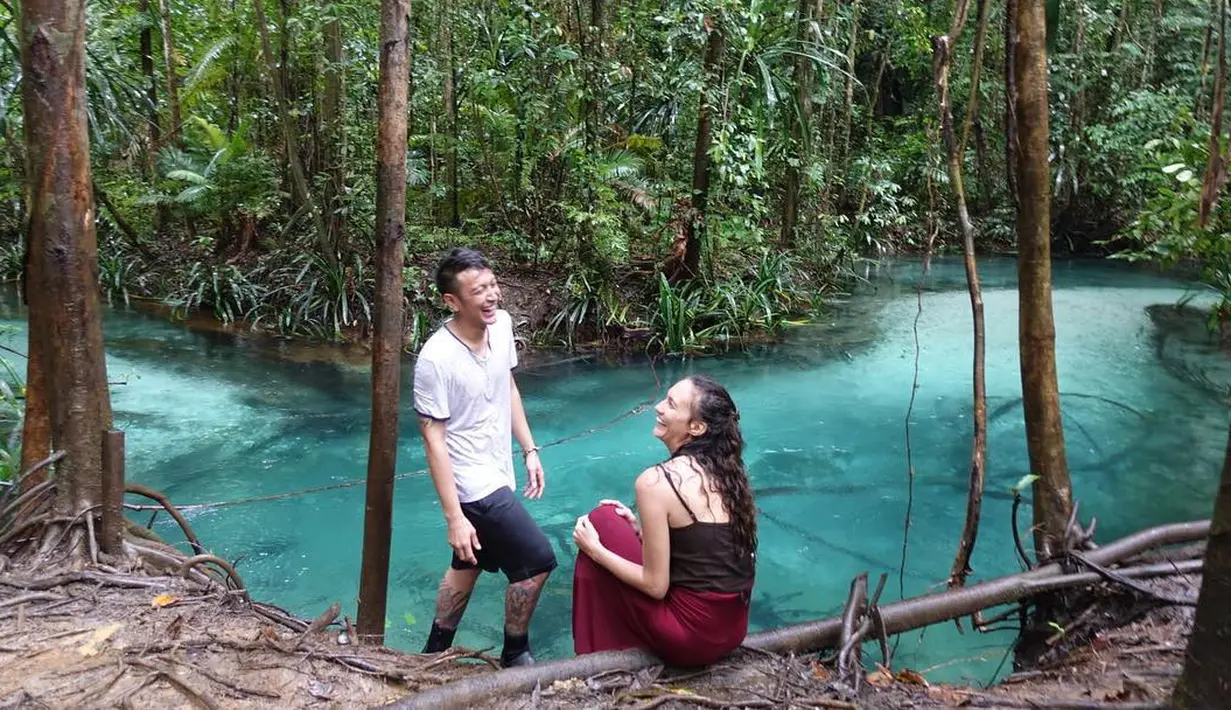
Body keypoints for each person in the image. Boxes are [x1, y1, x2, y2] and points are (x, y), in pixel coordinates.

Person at [413, 247, 556, 668]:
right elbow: (433, 440)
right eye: (479, 290)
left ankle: (433, 653)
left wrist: (529, 450)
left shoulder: (503, 325)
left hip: (498, 469)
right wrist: (454, 516)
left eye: (493, 285)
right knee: (537, 561)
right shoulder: (435, 359)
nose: (492, 295)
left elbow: (507, 387)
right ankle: (516, 654)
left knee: (467, 563)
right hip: (471, 484)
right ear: (452, 301)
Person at [571, 374, 757, 667]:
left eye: (671, 404)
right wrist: (641, 534)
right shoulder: (730, 474)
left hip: (691, 640)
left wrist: (595, 550)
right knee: (614, 522)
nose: (658, 407)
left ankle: (597, 654)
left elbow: (655, 586)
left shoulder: (656, 482)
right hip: (732, 632)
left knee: (600, 522)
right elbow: (708, 555)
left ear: (696, 427)